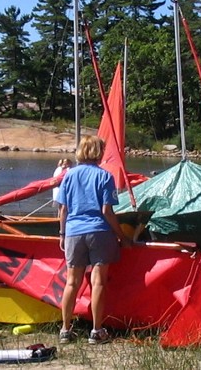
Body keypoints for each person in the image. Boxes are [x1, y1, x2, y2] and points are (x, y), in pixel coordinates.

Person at [56, 135, 132, 345]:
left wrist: (62, 234)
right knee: (98, 282)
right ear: (98, 152)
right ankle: (96, 330)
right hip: (99, 231)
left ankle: (65, 329)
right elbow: (107, 211)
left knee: (72, 282)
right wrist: (122, 236)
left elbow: (63, 209)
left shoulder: (69, 176)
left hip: (73, 231)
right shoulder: (105, 177)